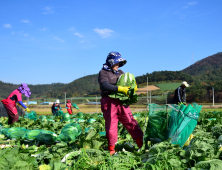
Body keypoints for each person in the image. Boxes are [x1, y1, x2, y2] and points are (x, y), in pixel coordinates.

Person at [98, 51, 143, 155]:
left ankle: (141, 144)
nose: (117, 66)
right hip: (109, 101)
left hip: (122, 101)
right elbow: (105, 85)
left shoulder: (121, 72)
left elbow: (128, 82)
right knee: (112, 125)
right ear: (110, 62)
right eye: (116, 63)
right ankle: (112, 149)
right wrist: (120, 89)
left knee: (130, 121)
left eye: (119, 64)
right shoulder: (103, 72)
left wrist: (133, 86)